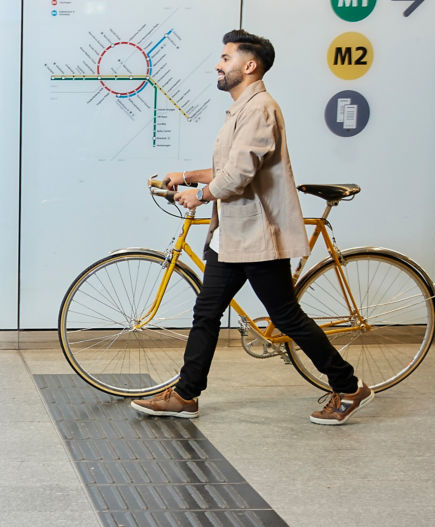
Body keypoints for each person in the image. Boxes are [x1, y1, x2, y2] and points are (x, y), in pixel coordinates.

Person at [130, 29, 372, 425]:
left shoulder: (260, 109)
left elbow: (239, 174)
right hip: (233, 236)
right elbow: (231, 167)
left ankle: (348, 387)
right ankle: (186, 396)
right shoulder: (242, 110)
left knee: (287, 317)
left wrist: (202, 194)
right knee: (206, 313)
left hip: (255, 236)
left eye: (225, 58)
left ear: (249, 65)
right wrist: (186, 176)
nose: (217, 65)